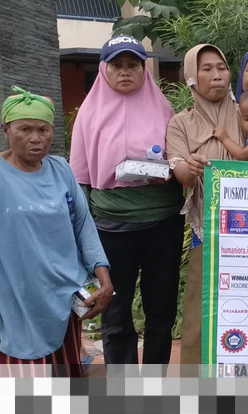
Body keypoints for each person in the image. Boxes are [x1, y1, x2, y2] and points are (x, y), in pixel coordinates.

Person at [69, 36, 185, 376]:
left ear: (143, 69)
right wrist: (82, 234)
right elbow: (80, 180)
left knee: (161, 308)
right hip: (110, 224)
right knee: (115, 310)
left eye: (133, 65)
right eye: (117, 65)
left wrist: (168, 172)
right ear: (103, 69)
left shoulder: (163, 109)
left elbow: (179, 160)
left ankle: (154, 383)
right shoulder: (89, 114)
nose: (125, 72)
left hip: (162, 221)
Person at [0, 86, 112, 377]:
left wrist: (103, 276)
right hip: (15, 299)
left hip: (63, 295)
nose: (36, 138)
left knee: (63, 381)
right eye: (25, 129)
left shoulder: (60, 169)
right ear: (6, 130)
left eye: (43, 129)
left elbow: (83, 225)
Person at [166, 44, 243, 370]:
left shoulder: (245, 114)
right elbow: (180, 172)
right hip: (207, 227)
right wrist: (192, 167)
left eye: (221, 67)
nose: (217, 75)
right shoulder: (180, 123)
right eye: (207, 69)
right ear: (192, 78)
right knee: (202, 303)